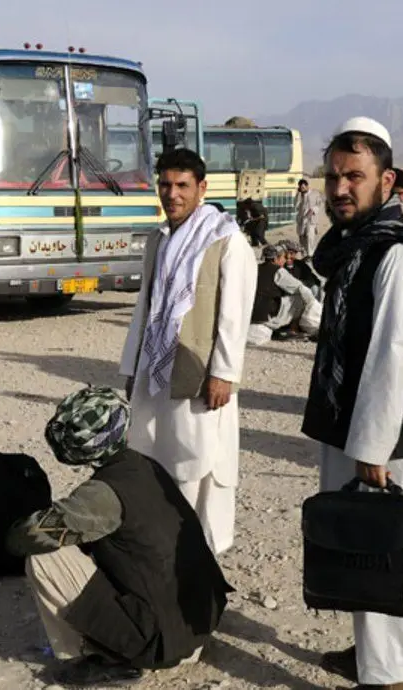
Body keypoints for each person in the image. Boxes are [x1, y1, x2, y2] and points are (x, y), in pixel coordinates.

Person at [304, 117, 403, 690]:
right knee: (362, 547)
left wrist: (372, 448)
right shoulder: (353, 248)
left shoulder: (397, 256)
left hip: (394, 439)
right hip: (362, 428)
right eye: (333, 176)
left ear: (387, 180)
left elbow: (393, 355)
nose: (340, 189)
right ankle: (373, 654)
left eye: (355, 177)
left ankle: (392, 676)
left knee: (392, 554)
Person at [7, 386, 232, 687]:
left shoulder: (101, 496)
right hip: (198, 623)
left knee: (45, 559)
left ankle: (104, 659)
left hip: (162, 644)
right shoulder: (143, 464)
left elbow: (22, 539)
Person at [119, 148, 257, 555]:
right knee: (156, 453)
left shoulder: (226, 239)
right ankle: (166, 544)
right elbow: (145, 307)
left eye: (182, 186)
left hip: (199, 375)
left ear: (202, 189)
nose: (172, 194)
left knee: (201, 460)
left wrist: (224, 374)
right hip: (157, 369)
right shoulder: (159, 239)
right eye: (165, 184)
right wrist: (132, 367)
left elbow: (235, 314)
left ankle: (203, 553)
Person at [248, 244, 321, 344]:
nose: (285, 260)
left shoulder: (255, 268)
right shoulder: (278, 271)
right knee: (301, 298)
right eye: (283, 257)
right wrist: (314, 305)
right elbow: (299, 287)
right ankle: (294, 329)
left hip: (251, 314)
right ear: (275, 259)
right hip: (267, 315)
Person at [295, 178, 323, 254]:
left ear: (307, 186)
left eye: (304, 187)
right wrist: (298, 194)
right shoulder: (300, 195)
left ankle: (310, 255)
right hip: (301, 220)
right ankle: (304, 253)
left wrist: (313, 210)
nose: (303, 189)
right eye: (301, 188)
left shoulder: (315, 193)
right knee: (301, 238)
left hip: (311, 220)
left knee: (310, 237)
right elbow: (296, 206)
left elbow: (319, 204)